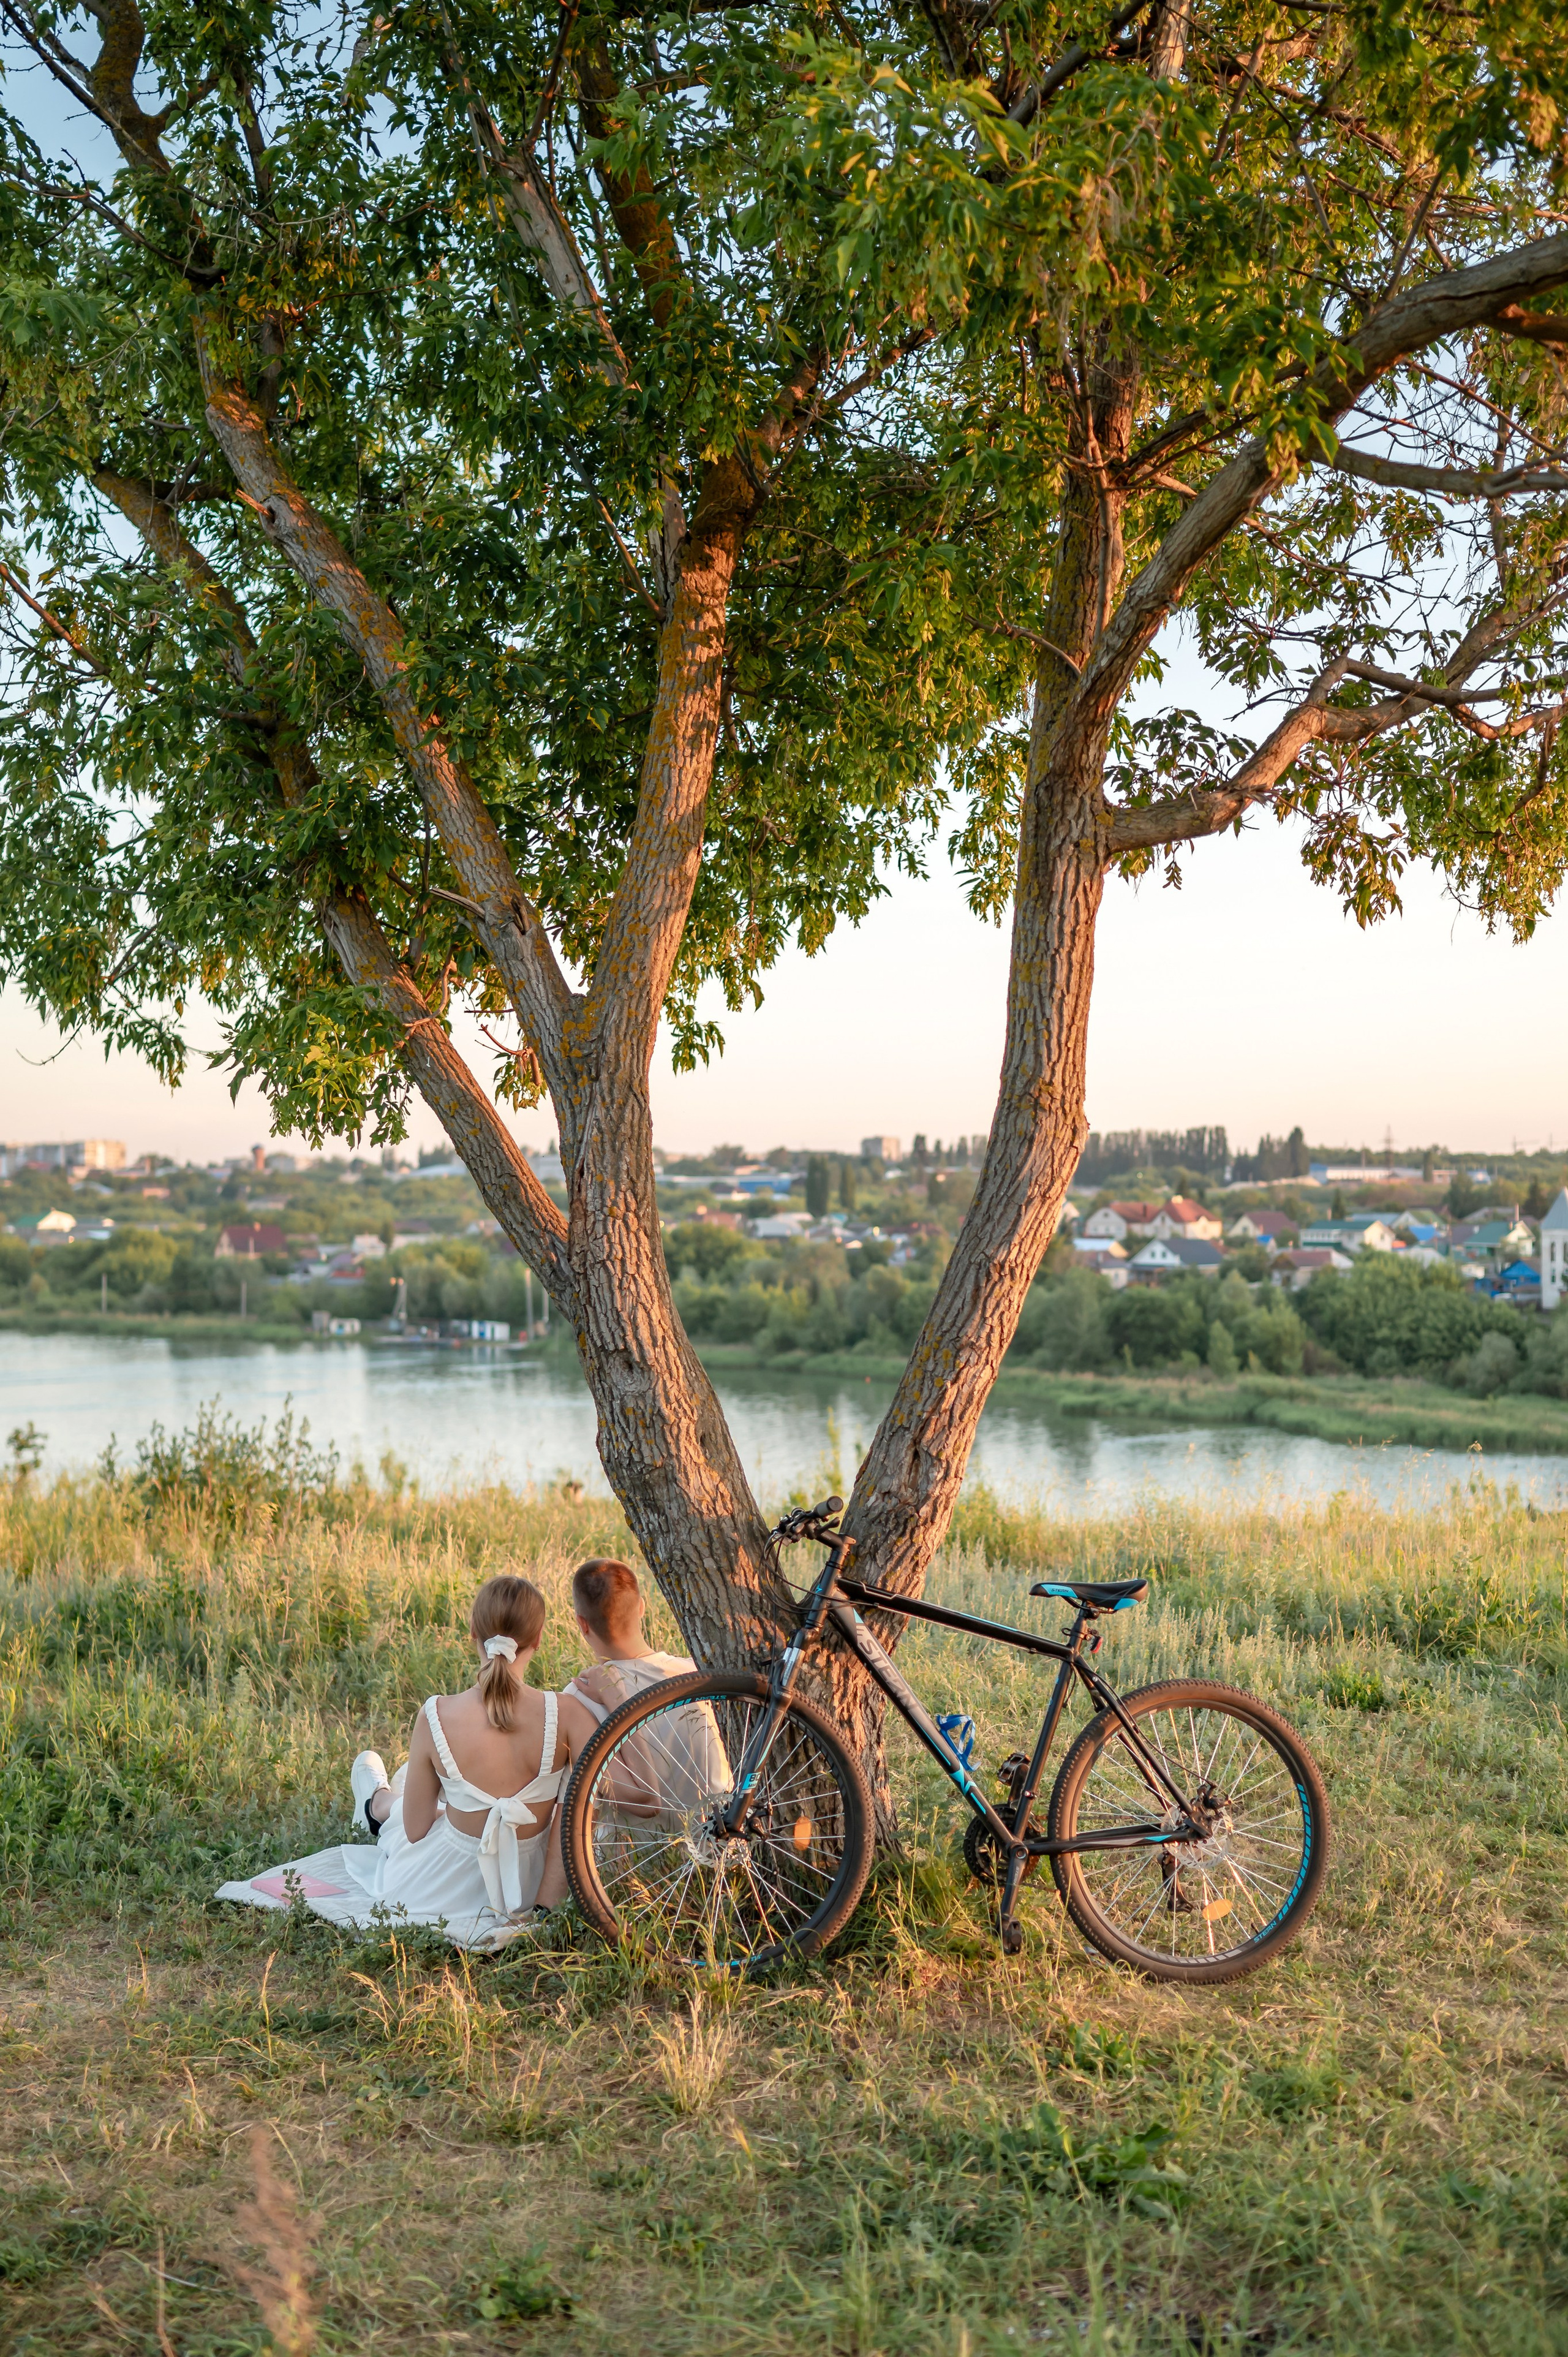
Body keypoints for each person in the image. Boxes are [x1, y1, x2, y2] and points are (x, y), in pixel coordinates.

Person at [217, 1575, 597, 1950]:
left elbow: (416, 1830)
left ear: (472, 1632)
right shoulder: (568, 1714)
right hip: (530, 1883)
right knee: (442, 1803)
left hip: (446, 1885)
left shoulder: (437, 1715)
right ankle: (382, 1799)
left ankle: (377, 1802)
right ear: (539, 1638)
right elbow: (596, 1803)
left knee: (412, 1816)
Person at [562, 1558, 730, 1820]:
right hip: (723, 1838)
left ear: (582, 1624)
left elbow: (579, 1805)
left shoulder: (578, 1698)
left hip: (635, 1847)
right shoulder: (699, 1675)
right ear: (641, 1607)